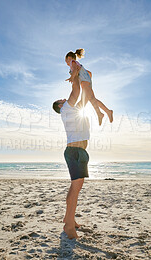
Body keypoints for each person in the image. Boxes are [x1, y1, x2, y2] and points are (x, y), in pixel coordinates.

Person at [52, 74, 90, 239]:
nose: (64, 99)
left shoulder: (72, 110)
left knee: (76, 187)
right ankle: (68, 226)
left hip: (78, 152)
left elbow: (85, 95)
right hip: (75, 152)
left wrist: (84, 76)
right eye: (62, 99)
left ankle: (69, 219)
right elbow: (76, 90)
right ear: (60, 105)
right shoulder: (66, 109)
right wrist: (74, 74)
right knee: (75, 188)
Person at [65, 49, 113, 126]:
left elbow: (76, 70)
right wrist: (88, 76)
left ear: (69, 58)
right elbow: (86, 71)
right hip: (86, 79)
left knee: (90, 97)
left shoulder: (72, 62)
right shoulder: (75, 64)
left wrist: (71, 77)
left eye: (66, 60)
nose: (66, 63)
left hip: (84, 80)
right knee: (91, 98)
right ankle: (107, 111)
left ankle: (100, 113)